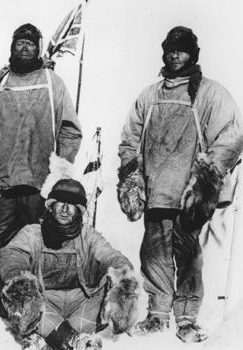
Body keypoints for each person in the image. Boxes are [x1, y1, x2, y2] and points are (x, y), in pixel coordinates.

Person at [117, 26, 243, 343]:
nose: (176, 55)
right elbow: (130, 139)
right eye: (171, 49)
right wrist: (131, 173)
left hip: (189, 195)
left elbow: (231, 136)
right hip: (155, 190)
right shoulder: (150, 95)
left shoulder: (211, 93)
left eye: (182, 49)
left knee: (188, 257)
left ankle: (186, 319)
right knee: (154, 256)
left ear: (193, 54)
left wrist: (207, 175)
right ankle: (158, 315)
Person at [0, 23, 83, 309]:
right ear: (12, 47)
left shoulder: (51, 81)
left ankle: (38, 303)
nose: (24, 47)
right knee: (1, 245)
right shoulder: (1, 85)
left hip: (40, 184)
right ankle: (0, 301)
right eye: (19, 42)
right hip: (4, 183)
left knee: (39, 245)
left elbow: (70, 128)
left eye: (30, 43)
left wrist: (61, 170)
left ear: (38, 48)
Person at [0, 179, 139, 350]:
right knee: (26, 303)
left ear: (79, 211)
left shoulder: (88, 235)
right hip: (44, 300)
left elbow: (111, 256)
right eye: (61, 202)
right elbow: (10, 255)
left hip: (81, 302)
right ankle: (74, 341)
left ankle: (50, 338)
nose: (65, 208)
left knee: (103, 293)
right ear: (50, 206)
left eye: (72, 204)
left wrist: (124, 282)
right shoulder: (33, 232)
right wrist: (17, 279)